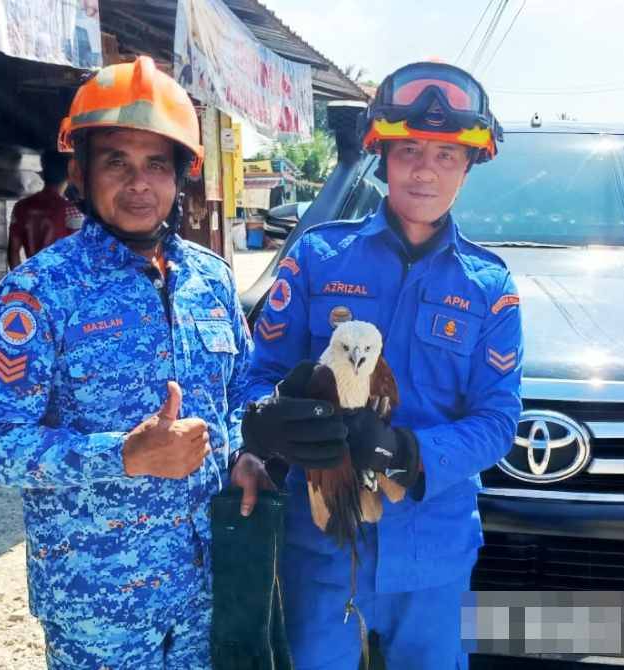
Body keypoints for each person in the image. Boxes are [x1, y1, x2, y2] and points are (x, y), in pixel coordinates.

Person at [0, 56, 273, 670]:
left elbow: (237, 394)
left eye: (157, 163)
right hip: (97, 607)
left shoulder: (210, 281)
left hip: (204, 592)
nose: (139, 184)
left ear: (181, 175)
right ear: (79, 171)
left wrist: (244, 455)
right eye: (117, 162)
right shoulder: (40, 293)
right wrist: (124, 455)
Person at [238, 60, 523, 670]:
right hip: (322, 542)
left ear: (469, 167)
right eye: (409, 150)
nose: (425, 169)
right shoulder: (318, 257)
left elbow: (499, 421)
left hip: (434, 552)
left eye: (447, 155)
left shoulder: (490, 286)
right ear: (381, 157)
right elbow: (258, 373)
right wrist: (264, 420)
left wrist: (410, 453)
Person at [7, 149, 74, 269]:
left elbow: (13, 252)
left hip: (34, 280)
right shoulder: (71, 210)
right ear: (70, 176)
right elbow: (80, 253)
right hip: (61, 281)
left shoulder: (21, 207)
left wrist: (21, 283)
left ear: (42, 173)